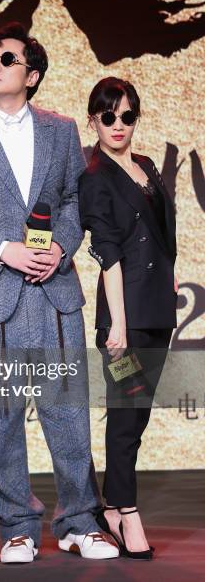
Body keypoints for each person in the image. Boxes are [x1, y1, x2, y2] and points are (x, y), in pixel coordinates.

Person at [0, 22, 118, 563]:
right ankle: (16, 525)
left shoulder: (61, 131)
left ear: (31, 75)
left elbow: (71, 203)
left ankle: (81, 523)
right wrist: (1, 250)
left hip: (55, 294)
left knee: (68, 414)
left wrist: (61, 247)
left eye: (7, 59)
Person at [78, 77, 177, 560]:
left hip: (159, 308)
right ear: (92, 120)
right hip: (123, 320)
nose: (118, 125)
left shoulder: (145, 166)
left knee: (138, 419)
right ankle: (125, 511)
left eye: (126, 115)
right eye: (107, 116)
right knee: (125, 415)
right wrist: (116, 325)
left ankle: (114, 503)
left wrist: (172, 277)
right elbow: (109, 256)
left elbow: (160, 232)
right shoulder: (94, 176)